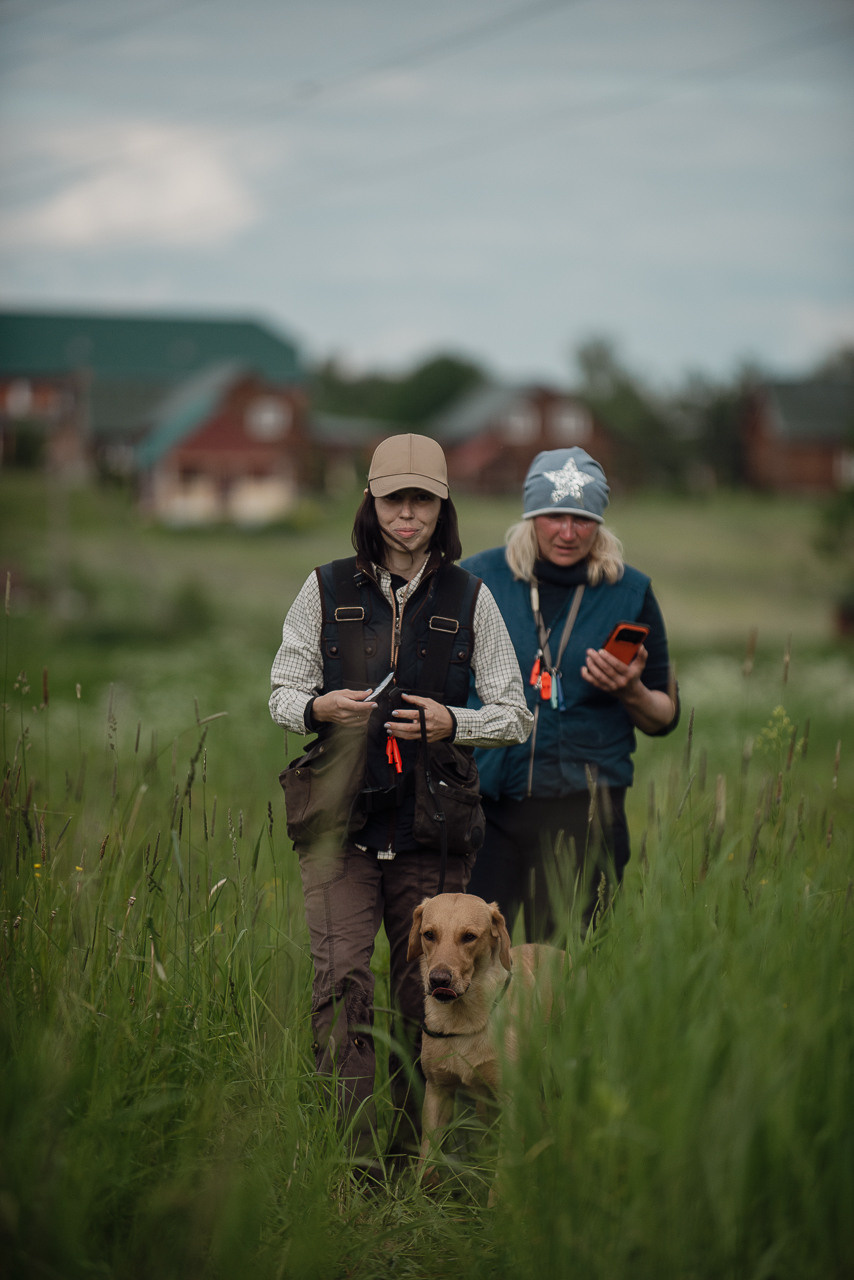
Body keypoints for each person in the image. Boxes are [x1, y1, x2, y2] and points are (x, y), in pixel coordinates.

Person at [269, 433, 531, 1174]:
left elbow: (514, 712)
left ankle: (418, 1153)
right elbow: (280, 694)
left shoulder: (470, 598)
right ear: (372, 502)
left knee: (429, 991)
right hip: (338, 829)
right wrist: (319, 706)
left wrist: (456, 723)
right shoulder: (320, 588)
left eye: (421, 499)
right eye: (394, 498)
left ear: (441, 506)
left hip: (434, 834)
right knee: (341, 982)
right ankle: (352, 1159)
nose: (406, 513)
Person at [461, 446, 679, 938]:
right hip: (484, 809)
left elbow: (664, 717)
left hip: (583, 813)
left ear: (599, 520)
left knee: (561, 970)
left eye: (582, 518)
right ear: (531, 515)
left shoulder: (630, 592)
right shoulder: (478, 579)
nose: (567, 531)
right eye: (553, 515)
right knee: (468, 968)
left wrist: (631, 692)